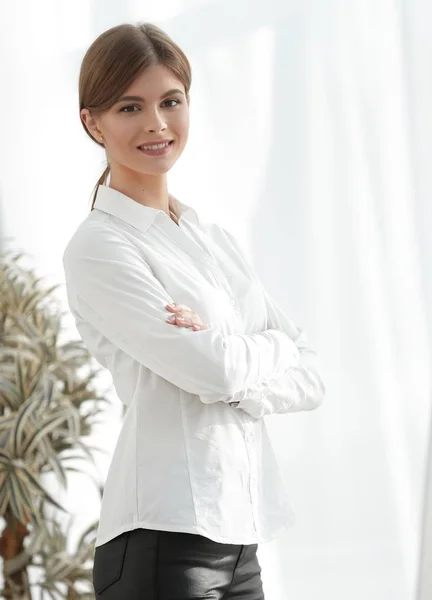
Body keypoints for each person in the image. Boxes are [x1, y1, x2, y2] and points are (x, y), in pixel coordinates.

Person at [62, 21, 325, 600]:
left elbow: (309, 373)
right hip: (161, 540)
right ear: (93, 122)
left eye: (170, 101)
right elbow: (215, 369)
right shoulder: (101, 246)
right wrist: (261, 351)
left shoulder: (212, 237)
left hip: (240, 540)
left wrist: (241, 372)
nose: (156, 123)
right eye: (130, 107)